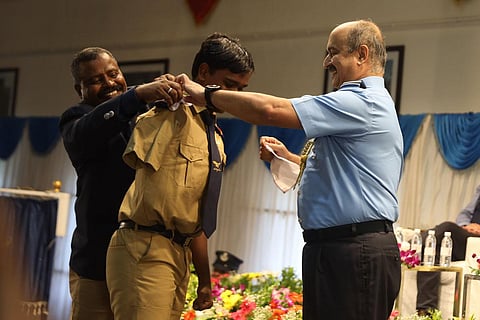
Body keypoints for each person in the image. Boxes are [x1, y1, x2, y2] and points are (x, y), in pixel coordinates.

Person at [177, 19, 403, 320]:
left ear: (361, 54)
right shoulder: (361, 104)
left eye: (332, 52)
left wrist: (205, 95)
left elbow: (271, 110)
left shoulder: (363, 101)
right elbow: (343, 176)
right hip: (336, 247)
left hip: (353, 250)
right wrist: (289, 159)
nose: (326, 62)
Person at [105, 33, 255, 320]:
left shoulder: (214, 136)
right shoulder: (171, 112)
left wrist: (205, 282)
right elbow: (139, 132)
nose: (234, 94)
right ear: (203, 73)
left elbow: (195, 216)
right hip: (145, 247)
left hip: (179, 253)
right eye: (229, 84)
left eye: (241, 87)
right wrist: (166, 93)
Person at [59, 47, 206, 320]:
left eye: (113, 74)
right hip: (97, 261)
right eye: (95, 80)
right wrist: (137, 94)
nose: (108, 83)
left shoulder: (145, 113)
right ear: (79, 88)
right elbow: (88, 130)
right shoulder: (76, 120)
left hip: (146, 261)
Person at [416, 183, 480, 314]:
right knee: (434, 249)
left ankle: (415, 244)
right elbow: (465, 214)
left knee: (447, 228)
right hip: (469, 234)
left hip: (477, 243)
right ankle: (426, 311)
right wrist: (465, 225)